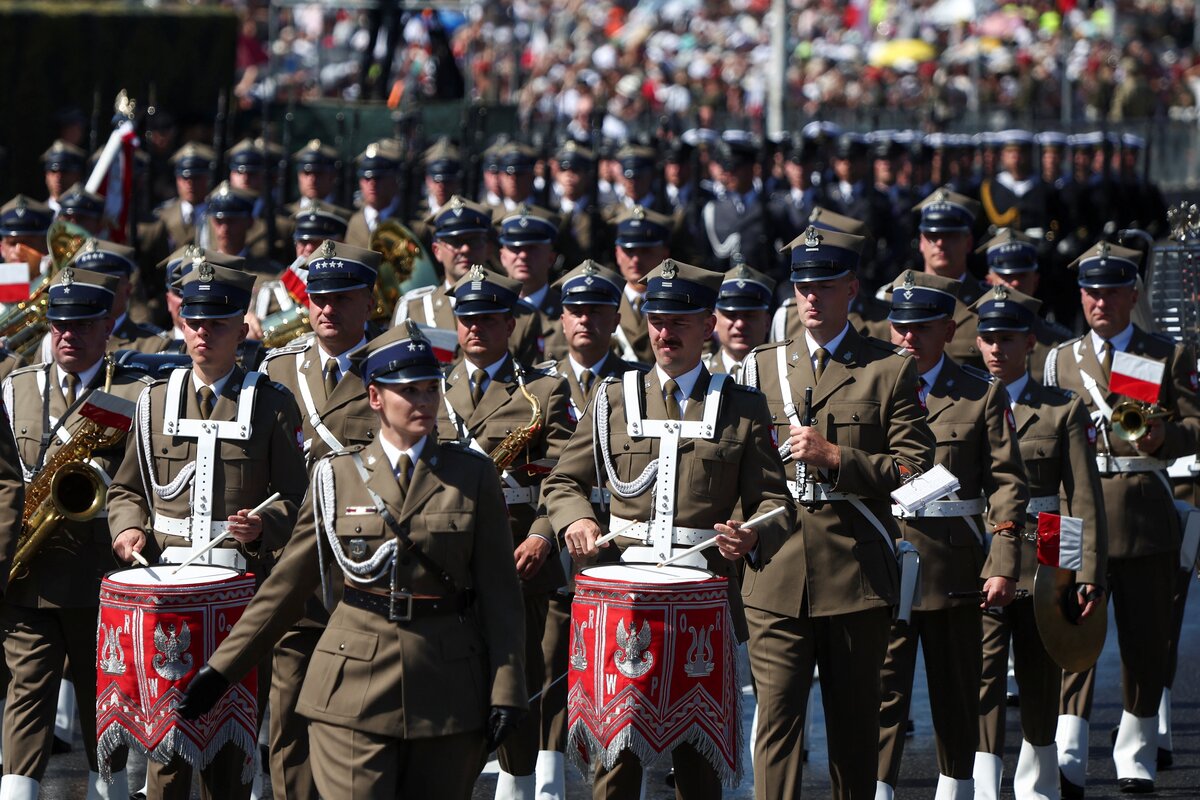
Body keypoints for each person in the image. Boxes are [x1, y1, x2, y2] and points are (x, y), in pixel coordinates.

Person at [177, 323, 528, 800]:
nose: (424, 401)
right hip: (350, 685)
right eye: (408, 391)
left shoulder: (473, 474)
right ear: (376, 397)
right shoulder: (336, 477)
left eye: (431, 389)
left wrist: (507, 690)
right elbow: (286, 586)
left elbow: (500, 595)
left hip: (447, 686)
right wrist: (222, 670)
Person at [543, 258, 793, 799]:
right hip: (622, 600)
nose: (664, 333)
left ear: (708, 326)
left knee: (698, 762)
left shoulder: (743, 408)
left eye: (679, 322)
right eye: (656, 319)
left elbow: (776, 501)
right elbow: (562, 482)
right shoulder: (611, 400)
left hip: (702, 597)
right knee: (617, 758)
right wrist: (578, 518)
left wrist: (750, 535)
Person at [738, 226, 934, 799]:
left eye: (824, 286)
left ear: (851, 288)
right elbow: (737, 464)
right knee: (775, 727)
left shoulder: (888, 369)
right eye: (802, 286)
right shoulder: (760, 368)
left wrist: (838, 457)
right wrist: (735, 525)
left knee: (853, 729)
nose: (811, 298)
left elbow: (918, 472)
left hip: (855, 571)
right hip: (774, 570)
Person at [107, 256, 306, 800]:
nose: (203, 332)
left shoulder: (272, 404)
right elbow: (126, 490)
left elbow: (298, 498)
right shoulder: (150, 401)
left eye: (217, 322)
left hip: (243, 594)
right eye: (195, 320)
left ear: (241, 329)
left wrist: (262, 525)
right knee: (166, 752)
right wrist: (128, 531)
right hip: (168, 595)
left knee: (232, 751)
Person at [1045, 242, 1200, 795]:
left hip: (1140, 508)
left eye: (1112, 291)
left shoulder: (1162, 354)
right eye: (1091, 291)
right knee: (1068, 631)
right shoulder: (1059, 359)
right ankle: (1067, 750)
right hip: (1074, 512)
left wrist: (1168, 437)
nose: (1100, 301)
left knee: (1146, 638)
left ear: (1132, 295)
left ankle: (1134, 747)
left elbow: (1194, 426)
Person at [877, 269, 1029, 800]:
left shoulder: (979, 395)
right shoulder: (870, 384)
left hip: (955, 568)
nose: (908, 338)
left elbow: (1008, 483)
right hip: (883, 567)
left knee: (958, 694)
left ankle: (957, 788)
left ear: (948, 328)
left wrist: (1004, 559)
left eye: (921, 327)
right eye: (900, 326)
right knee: (881, 694)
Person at [435, 265, 574, 798]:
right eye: (467, 318)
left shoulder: (543, 389)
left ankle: (517, 786)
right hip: (447, 563)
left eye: (489, 318)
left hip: (518, 554)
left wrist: (543, 534)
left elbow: (563, 476)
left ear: (510, 323)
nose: (476, 328)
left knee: (519, 683)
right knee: (451, 683)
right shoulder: (433, 386)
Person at [0, 268, 136, 800]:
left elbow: (138, 485)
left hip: (97, 580)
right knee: (25, 703)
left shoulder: (130, 393)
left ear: (107, 327)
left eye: (81, 326)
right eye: (58, 324)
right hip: (28, 579)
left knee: (105, 711)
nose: (66, 335)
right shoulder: (15, 388)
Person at [967, 285, 1107, 799]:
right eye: (987, 338)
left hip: (1045, 551)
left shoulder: (1059, 410)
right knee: (980, 674)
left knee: (1039, 673)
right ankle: (982, 784)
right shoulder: (965, 401)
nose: (996, 348)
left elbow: (1080, 500)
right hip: (983, 553)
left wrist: (1077, 574)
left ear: (1030, 343)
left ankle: (1038, 784)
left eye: (1007, 338)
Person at [256, 240, 382, 799]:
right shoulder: (278, 369)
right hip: (294, 563)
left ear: (369, 303)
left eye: (341, 299)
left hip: (365, 567)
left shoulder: (393, 368)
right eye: (318, 299)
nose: (326, 309)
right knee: (287, 715)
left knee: (362, 716)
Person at [528, 260, 642, 798]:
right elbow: (542, 480)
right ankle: (548, 782)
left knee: (621, 667)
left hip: (620, 541)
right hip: (559, 541)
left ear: (615, 317)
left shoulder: (637, 383)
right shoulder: (540, 387)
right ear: (560, 317)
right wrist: (546, 531)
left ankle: (619, 771)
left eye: (598, 311)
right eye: (575, 311)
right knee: (553, 668)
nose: (585, 321)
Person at [978, 228, 1073, 383]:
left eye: (1022, 275)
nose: (1015, 283)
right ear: (989, 281)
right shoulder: (973, 332)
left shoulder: (1059, 344)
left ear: (1035, 280)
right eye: (1007, 276)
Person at [394, 195, 494, 334]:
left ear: (488, 248)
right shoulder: (414, 308)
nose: (465, 249)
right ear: (437, 251)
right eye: (455, 242)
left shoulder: (509, 307)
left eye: (474, 241)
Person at [913, 188, 988, 369]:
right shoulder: (891, 298)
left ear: (968, 242)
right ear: (921, 242)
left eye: (950, 236)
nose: (940, 243)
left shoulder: (987, 304)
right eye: (932, 236)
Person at [497, 204, 567, 365]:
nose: (523, 255)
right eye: (515, 248)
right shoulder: (491, 313)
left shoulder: (570, 311)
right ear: (502, 257)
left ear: (551, 258)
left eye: (532, 248)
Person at [611, 205, 673, 364]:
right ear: (617, 253)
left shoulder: (678, 302)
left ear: (664, 253)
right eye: (629, 251)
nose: (636, 260)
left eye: (645, 251)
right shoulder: (606, 301)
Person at [706, 263, 773, 380]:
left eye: (749, 315)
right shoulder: (700, 374)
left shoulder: (784, 372)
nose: (740, 324)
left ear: (767, 322)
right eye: (731, 315)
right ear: (714, 322)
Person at [153, 143, 215, 252]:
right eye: (185, 178)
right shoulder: (162, 216)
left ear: (207, 178)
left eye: (196, 178)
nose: (190, 184)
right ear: (177, 179)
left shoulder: (220, 217)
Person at [345, 141, 403, 249]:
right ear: (360, 182)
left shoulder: (411, 223)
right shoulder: (352, 223)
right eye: (366, 178)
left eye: (378, 178)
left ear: (393, 179)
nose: (372, 184)